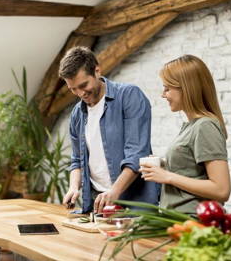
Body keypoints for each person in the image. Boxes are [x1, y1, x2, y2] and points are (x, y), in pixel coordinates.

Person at [59, 46, 159, 214]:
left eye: (83, 85)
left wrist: (114, 192)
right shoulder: (77, 113)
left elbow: (137, 155)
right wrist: (73, 187)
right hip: (98, 202)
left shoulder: (129, 96)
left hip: (134, 202)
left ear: (97, 71)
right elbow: (77, 159)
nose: (80, 93)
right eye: (73, 89)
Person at [139, 55, 231, 213]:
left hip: (193, 223)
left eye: (167, 88)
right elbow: (192, 171)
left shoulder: (205, 125)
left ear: (187, 88)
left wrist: (167, 176)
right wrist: (163, 164)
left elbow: (221, 190)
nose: (163, 95)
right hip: (179, 222)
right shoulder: (191, 126)